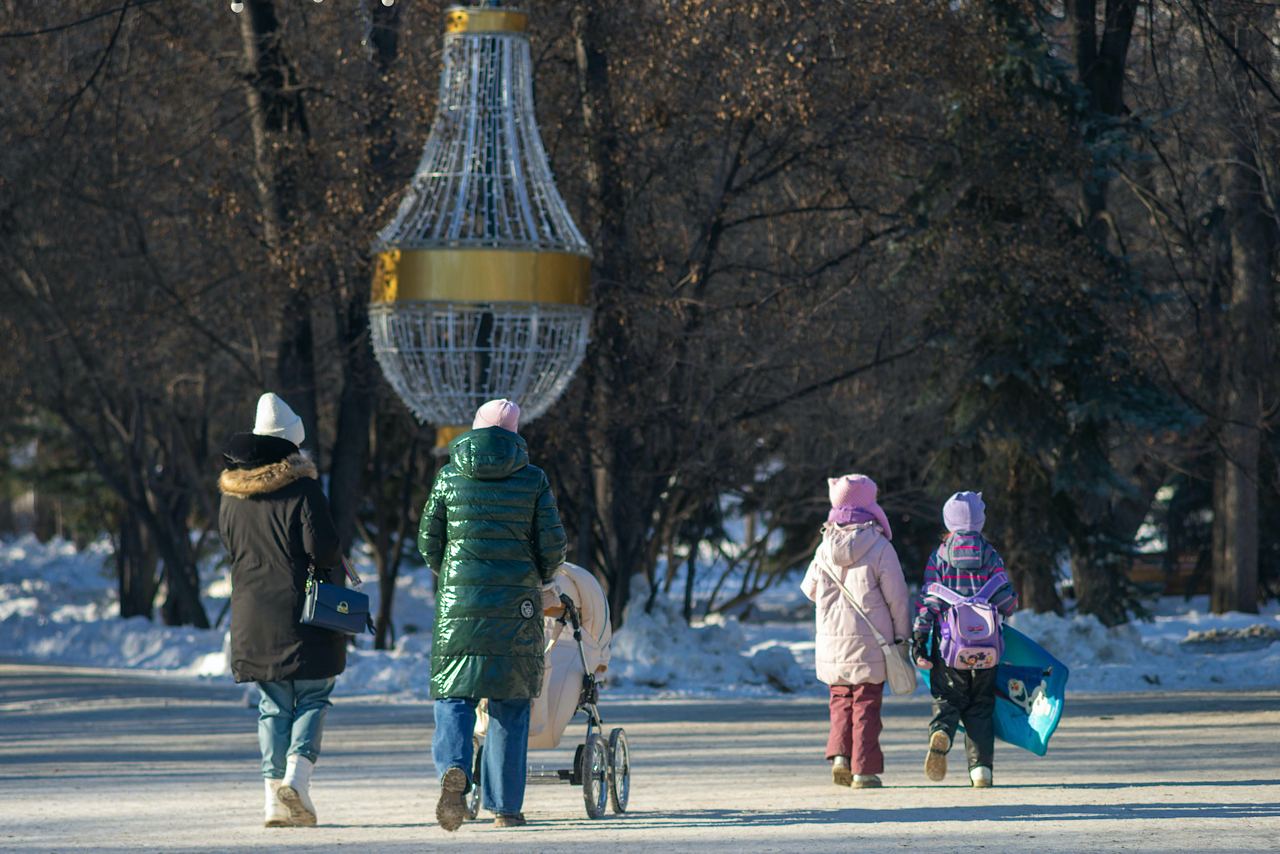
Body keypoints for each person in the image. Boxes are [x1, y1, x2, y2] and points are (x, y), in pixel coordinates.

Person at [419, 399, 566, 831]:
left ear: (474, 430)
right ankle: (506, 808)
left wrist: (449, 575)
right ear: (515, 434)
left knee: (453, 695)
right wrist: (536, 575)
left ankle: (453, 768)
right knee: (510, 702)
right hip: (515, 605)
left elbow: (429, 540)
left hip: (458, 606)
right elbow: (553, 545)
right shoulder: (533, 480)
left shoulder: (449, 476)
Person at [218, 392, 345, 828]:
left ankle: (274, 801)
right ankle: (297, 778)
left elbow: (231, 549)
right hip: (304, 610)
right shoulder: (305, 489)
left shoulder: (231, 495)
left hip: (252, 611)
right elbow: (323, 550)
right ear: (293, 442)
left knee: (272, 704)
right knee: (312, 695)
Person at [800, 474, 910, 790]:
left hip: (833, 643)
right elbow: (897, 597)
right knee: (866, 705)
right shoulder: (879, 547)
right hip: (871, 643)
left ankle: (840, 757)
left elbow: (809, 590)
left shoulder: (824, 547)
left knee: (840, 701)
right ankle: (864, 770)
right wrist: (902, 636)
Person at [911, 491, 1018, 788]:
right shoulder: (991, 555)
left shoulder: (940, 556)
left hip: (949, 649)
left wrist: (919, 637)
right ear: (980, 521)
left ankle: (942, 730)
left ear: (948, 520)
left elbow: (928, 602)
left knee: (947, 697)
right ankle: (981, 769)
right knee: (981, 704)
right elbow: (1008, 602)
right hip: (987, 649)